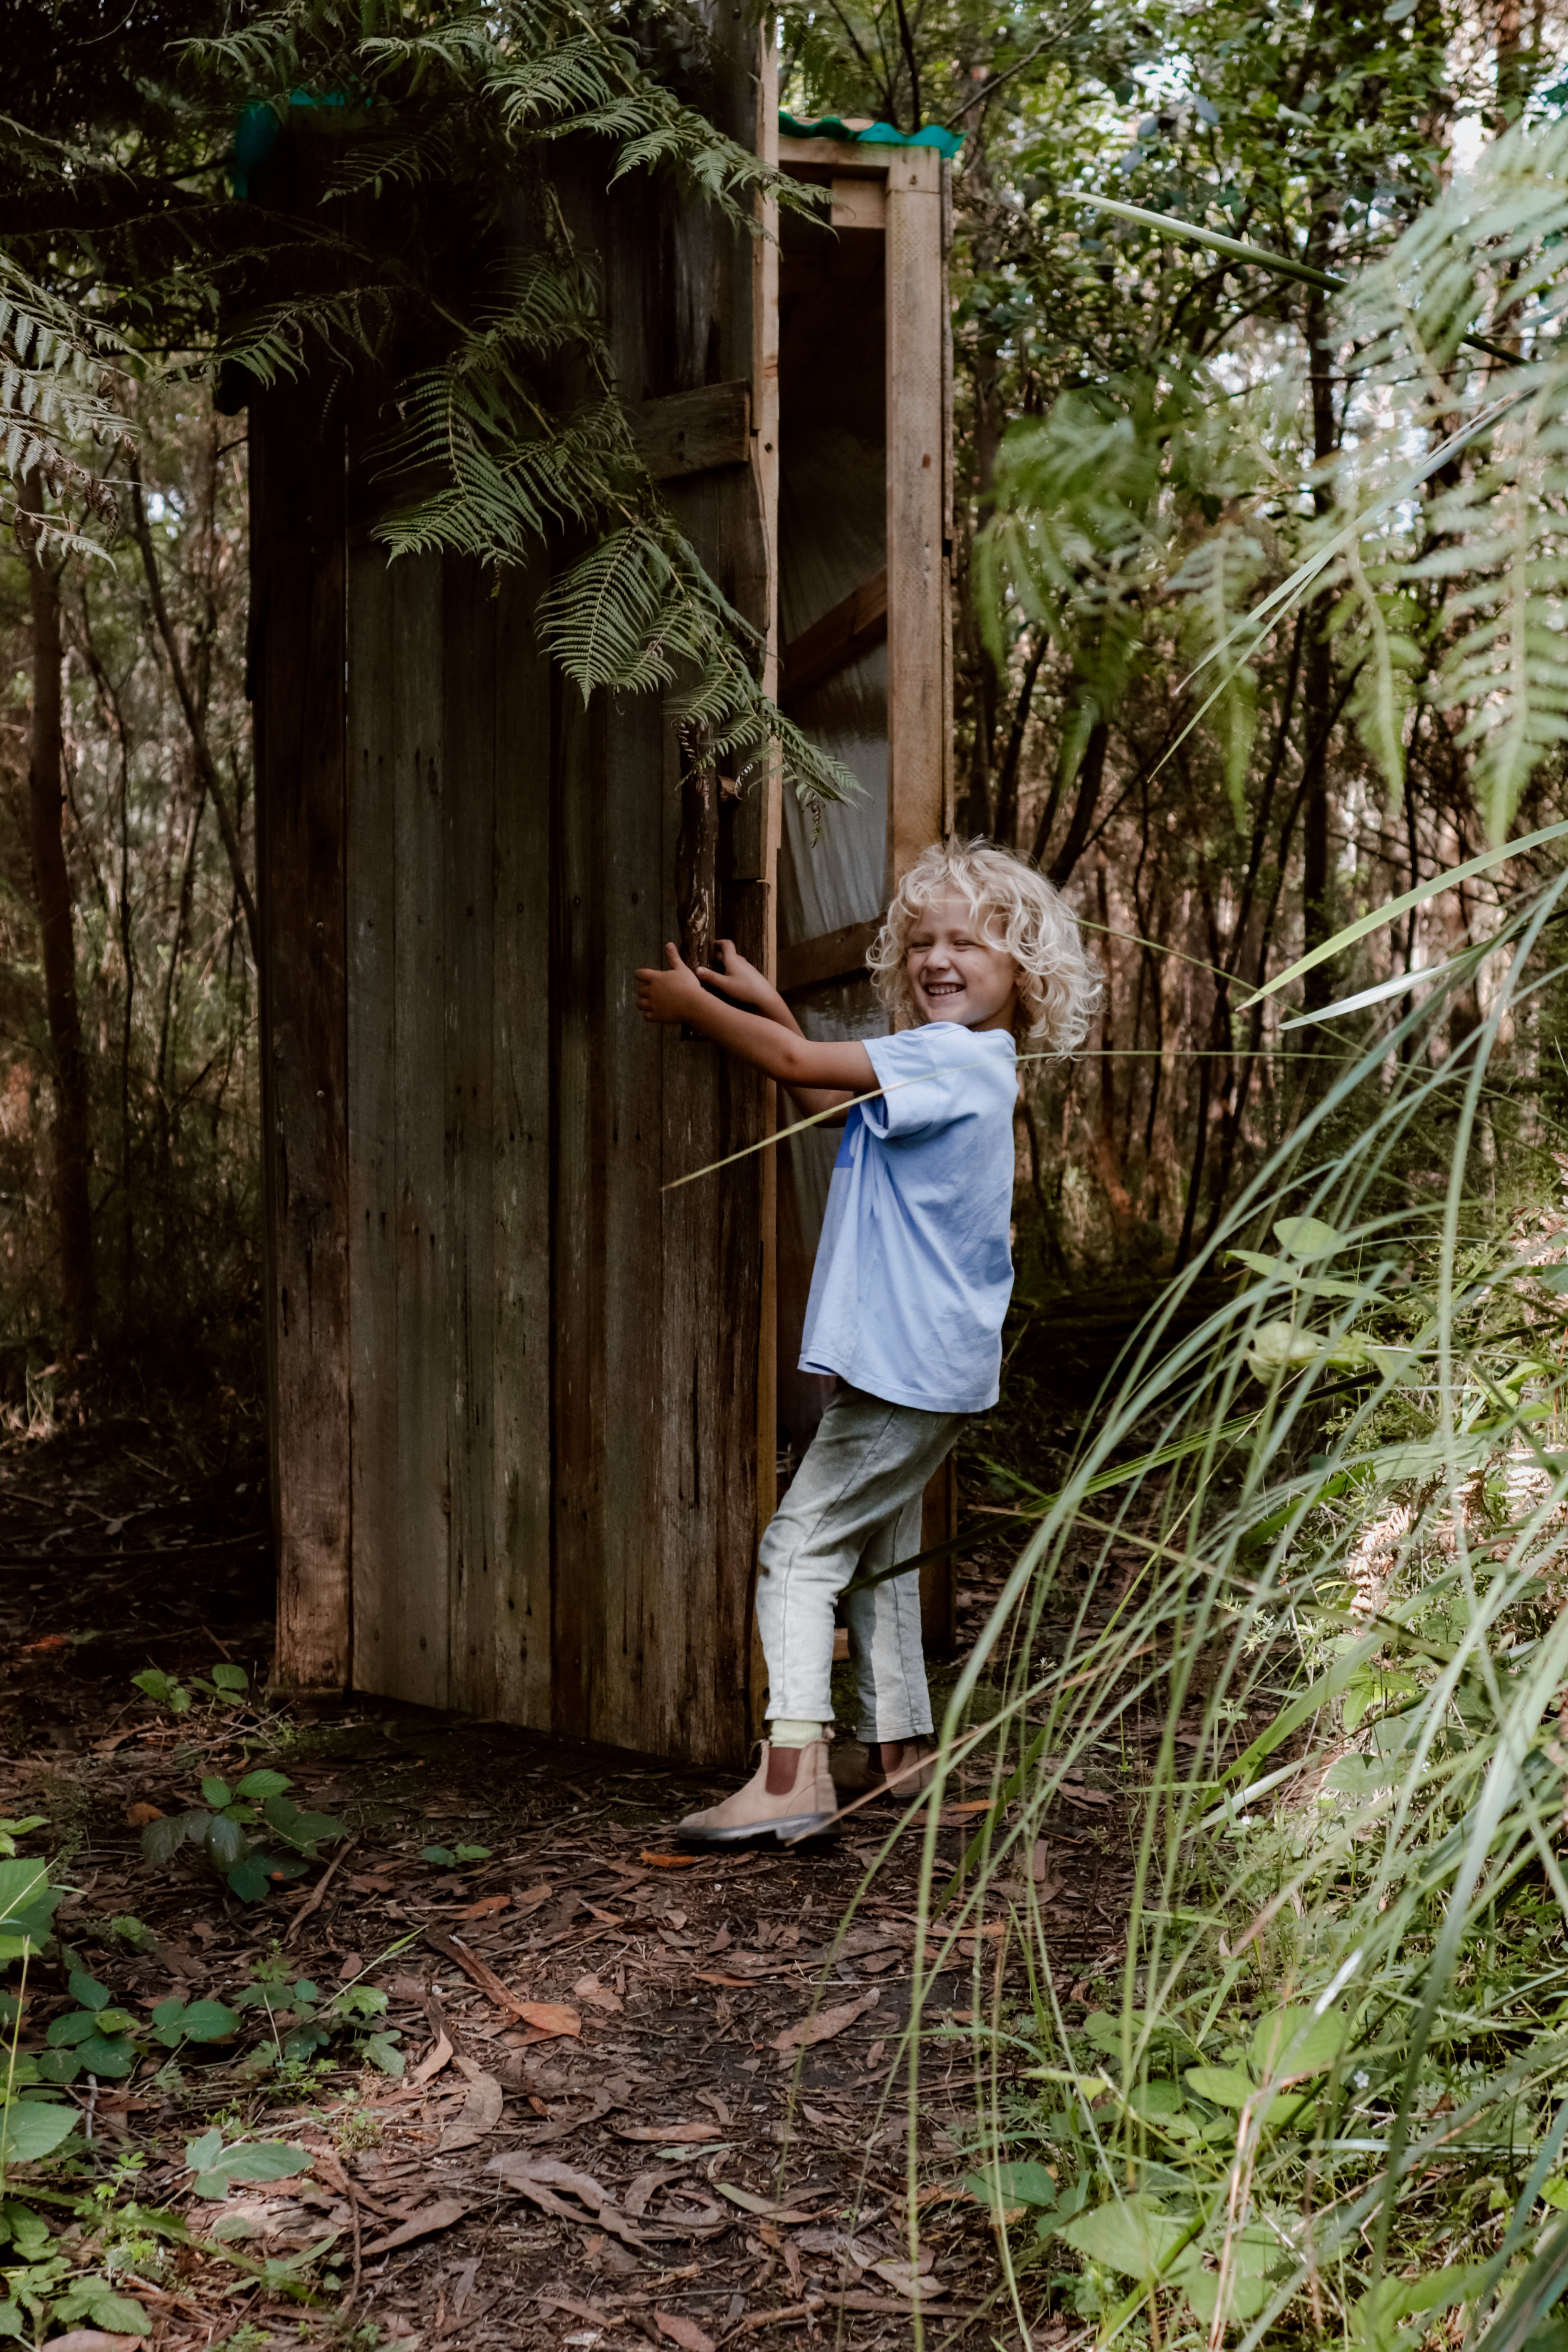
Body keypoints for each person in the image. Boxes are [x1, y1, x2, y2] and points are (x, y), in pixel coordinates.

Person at [633, 838, 1099, 1845]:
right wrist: (765, 1007)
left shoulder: (947, 1056)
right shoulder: (973, 1063)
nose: (939, 959)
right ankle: (898, 1756)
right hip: (925, 1363)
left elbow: (804, 1071)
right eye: (921, 941)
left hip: (904, 1362)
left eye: (969, 944)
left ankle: (793, 1773)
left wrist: (696, 1009)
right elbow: (820, 1100)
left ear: (1022, 968)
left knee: (797, 1549)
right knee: (879, 1550)